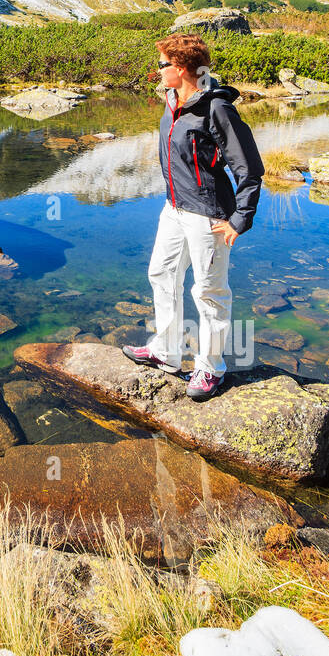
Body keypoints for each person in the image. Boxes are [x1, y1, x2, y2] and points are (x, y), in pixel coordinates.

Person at [122, 33, 264, 401]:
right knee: (162, 273)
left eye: (163, 64)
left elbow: (248, 167)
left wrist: (240, 218)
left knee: (209, 292)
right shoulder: (172, 101)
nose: (157, 71)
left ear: (182, 69)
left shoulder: (216, 109)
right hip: (174, 208)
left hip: (208, 216)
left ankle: (210, 367)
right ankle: (166, 351)